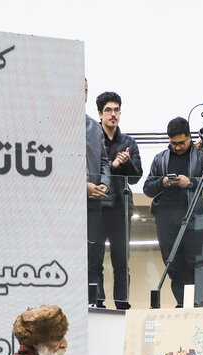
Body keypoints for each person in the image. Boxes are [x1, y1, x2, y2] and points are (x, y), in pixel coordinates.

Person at [143, 117, 203, 306]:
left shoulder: (201, 157)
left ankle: (193, 304)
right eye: (173, 143)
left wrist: (190, 183)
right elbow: (147, 188)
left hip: (194, 217)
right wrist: (162, 182)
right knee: (173, 264)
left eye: (181, 143)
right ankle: (182, 304)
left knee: (193, 264)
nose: (177, 147)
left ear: (189, 137)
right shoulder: (161, 158)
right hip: (166, 218)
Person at [89, 91, 142, 309]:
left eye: (116, 110)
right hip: (96, 206)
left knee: (121, 260)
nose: (113, 114)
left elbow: (137, 176)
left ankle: (122, 303)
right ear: (100, 113)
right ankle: (96, 301)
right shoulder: (92, 140)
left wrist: (126, 163)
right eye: (108, 110)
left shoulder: (129, 142)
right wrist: (113, 166)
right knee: (94, 260)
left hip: (120, 208)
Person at [85, 80, 111, 306]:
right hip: (63, 203)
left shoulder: (94, 127)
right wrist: (82, 186)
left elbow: (104, 161)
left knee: (92, 255)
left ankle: (93, 302)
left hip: (94, 203)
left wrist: (104, 183)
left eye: (84, 90)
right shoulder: (53, 123)